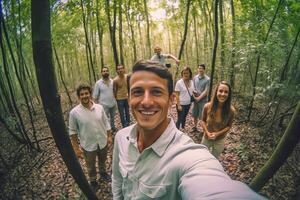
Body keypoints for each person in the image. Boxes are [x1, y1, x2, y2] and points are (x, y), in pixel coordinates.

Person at [112, 60, 265, 199]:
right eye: (137, 92)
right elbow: (117, 180)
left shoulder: (187, 156)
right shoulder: (121, 137)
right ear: (129, 98)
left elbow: (210, 184)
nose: (146, 102)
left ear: (171, 99)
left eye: (156, 92)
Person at [69, 84, 112, 191]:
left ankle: (103, 173)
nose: (84, 96)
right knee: (91, 165)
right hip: (88, 145)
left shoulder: (99, 108)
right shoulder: (74, 113)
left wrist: (109, 136)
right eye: (82, 94)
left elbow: (106, 123)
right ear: (79, 96)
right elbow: (72, 131)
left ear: (90, 94)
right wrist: (76, 148)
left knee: (103, 160)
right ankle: (93, 181)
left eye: (86, 93)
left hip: (102, 141)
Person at [200, 81, 236, 158]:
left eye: (226, 92)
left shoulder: (231, 110)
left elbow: (229, 126)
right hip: (206, 138)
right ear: (216, 92)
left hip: (220, 140)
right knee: (202, 156)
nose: (223, 94)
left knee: (214, 159)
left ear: (229, 95)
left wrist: (217, 134)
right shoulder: (207, 106)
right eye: (220, 91)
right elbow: (202, 120)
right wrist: (206, 132)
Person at [93, 66, 117, 132]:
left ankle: (112, 127)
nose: (105, 72)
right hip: (103, 106)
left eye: (106, 71)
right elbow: (95, 96)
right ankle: (106, 130)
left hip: (113, 104)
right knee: (104, 119)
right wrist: (96, 106)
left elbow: (115, 92)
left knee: (112, 118)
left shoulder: (113, 81)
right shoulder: (98, 83)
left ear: (108, 72)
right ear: (101, 73)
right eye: (103, 71)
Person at [192, 64, 210, 134]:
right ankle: (195, 127)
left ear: (204, 69)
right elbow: (193, 88)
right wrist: (194, 96)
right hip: (195, 99)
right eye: (199, 68)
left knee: (202, 116)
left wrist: (198, 98)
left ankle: (203, 130)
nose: (200, 69)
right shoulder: (195, 77)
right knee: (195, 114)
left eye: (201, 68)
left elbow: (206, 91)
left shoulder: (207, 79)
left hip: (202, 101)